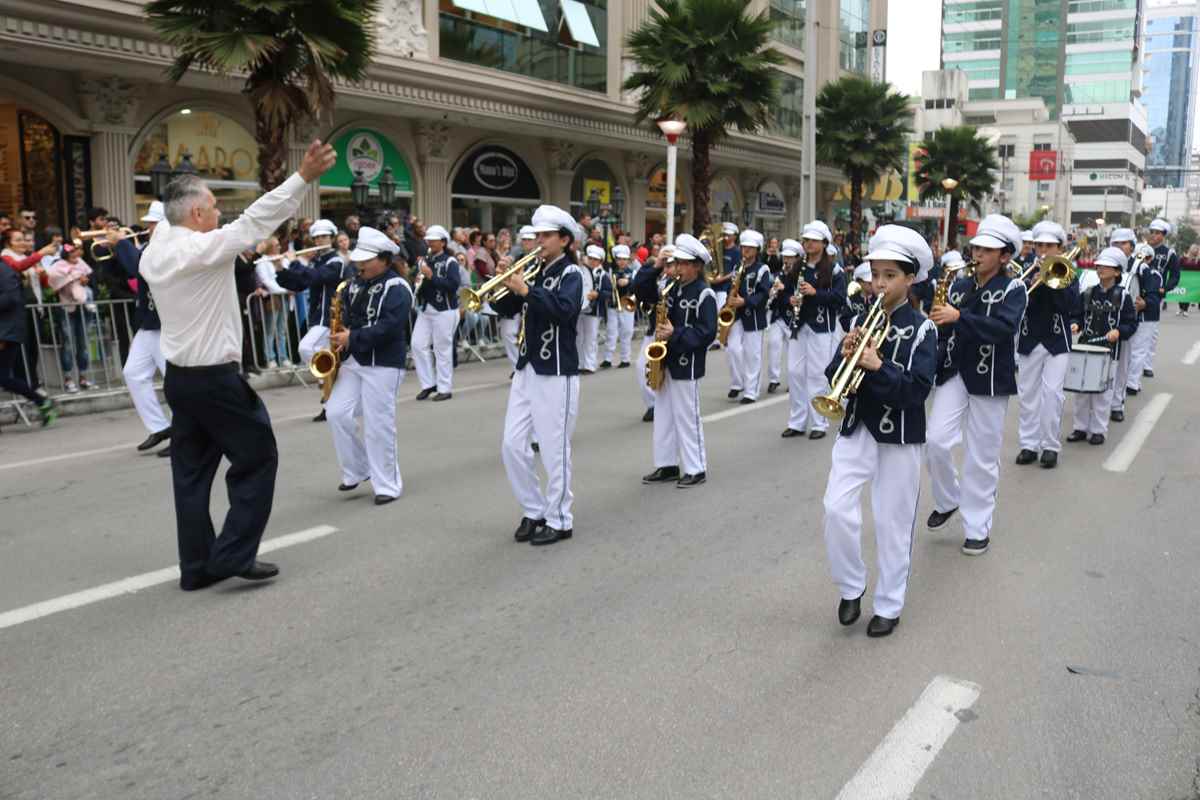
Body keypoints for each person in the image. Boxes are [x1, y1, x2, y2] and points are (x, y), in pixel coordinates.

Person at [139, 138, 336, 592]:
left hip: (180, 380)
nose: (218, 212)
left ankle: (195, 569)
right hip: (213, 380)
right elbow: (257, 219)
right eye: (211, 205)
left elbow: (175, 215)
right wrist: (302, 177)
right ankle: (233, 554)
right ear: (195, 216)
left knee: (189, 475)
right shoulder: (200, 250)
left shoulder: (157, 247)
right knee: (258, 456)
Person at [821, 225, 937, 638]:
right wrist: (848, 354)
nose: (880, 284)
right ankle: (851, 584)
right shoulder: (859, 319)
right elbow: (834, 374)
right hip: (857, 427)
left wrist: (877, 365)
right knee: (836, 508)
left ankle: (888, 604)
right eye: (876, 275)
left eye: (890, 275)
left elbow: (917, 391)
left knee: (892, 522)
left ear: (909, 279)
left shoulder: (924, 329)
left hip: (900, 434)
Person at [925, 214, 1027, 556]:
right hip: (955, 370)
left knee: (981, 456)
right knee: (935, 440)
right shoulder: (960, 284)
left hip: (991, 377)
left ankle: (977, 526)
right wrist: (936, 323)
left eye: (988, 249)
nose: (978, 254)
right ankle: (949, 498)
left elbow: (1003, 329)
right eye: (977, 247)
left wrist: (959, 317)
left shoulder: (1014, 288)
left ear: (1005, 256)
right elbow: (948, 328)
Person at [491, 205, 584, 547]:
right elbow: (506, 309)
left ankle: (560, 519)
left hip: (557, 370)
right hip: (528, 368)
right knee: (512, 445)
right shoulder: (535, 271)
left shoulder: (572, 274)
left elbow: (564, 311)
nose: (538, 242)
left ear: (564, 239)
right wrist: (500, 281)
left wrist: (526, 290)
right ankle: (534, 510)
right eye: (536, 237)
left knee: (553, 448)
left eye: (545, 236)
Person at [324, 228, 412, 505]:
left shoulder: (397, 287)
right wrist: (341, 336)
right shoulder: (353, 284)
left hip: (383, 363)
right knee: (336, 412)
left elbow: (391, 326)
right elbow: (348, 317)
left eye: (367, 260)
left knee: (378, 424)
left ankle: (387, 484)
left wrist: (353, 336)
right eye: (359, 260)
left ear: (385, 260)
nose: (360, 265)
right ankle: (358, 469)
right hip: (354, 359)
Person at [637, 233, 717, 488]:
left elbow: (707, 333)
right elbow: (640, 290)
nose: (677, 268)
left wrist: (675, 333)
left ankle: (696, 468)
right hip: (666, 360)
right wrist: (656, 266)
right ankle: (666, 464)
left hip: (687, 362)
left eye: (682, 263)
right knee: (663, 414)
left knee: (686, 416)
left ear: (696, 266)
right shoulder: (671, 289)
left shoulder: (705, 294)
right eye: (676, 263)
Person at [1014, 220, 1080, 469]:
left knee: (1052, 394)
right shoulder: (1023, 268)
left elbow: (1071, 306)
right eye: (1039, 245)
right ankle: (1028, 445)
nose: (1042, 250)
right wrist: (1030, 280)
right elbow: (1015, 303)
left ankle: (1050, 446)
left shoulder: (1067, 271)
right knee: (1027, 395)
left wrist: (1051, 278)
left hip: (1056, 340)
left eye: (1049, 245)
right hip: (1029, 338)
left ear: (1060, 248)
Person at [272, 218, 352, 421]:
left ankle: (327, 375)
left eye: (324, 236)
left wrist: (294, 261)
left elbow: (315, 277)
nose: (320, 240)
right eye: (316, 238)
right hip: (319, 318)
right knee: (327, 361)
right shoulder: (317, 261)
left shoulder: (336, 261)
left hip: (332, 318)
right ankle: (330, 404)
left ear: (332, 238)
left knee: (306, 348)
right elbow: (299, 283)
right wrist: (280, 268)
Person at [110, 201, 172, 455]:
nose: (148, 227)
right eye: (148, 223)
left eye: (153, 223)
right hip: (149, 323)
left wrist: (122, 243)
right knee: (133, 373)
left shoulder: (169, 248)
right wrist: (115, 248)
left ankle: (187, 434)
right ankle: (160, 427)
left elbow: (141, 268)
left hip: (166, 323)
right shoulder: (149, 246)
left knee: (176, 382)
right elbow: (128, 270)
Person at [1065, 247, 1136, 446]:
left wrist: (1119, 331)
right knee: (1081, 391)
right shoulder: (1088, 293)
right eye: (1099, 265)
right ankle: (1080, 428)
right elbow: (1077, 314)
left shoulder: (1123, 296)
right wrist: (1075, 323)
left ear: (1117, 271)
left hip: (1109, 351)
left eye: (1107, 266)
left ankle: (1098, 430)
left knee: (1103, 394)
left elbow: (1132, 323)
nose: (1101, 268)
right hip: (1086, 345)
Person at [781, 221, 845, 436]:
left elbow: (839, 299)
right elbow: (786, 292)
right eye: (806, 240)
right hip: (799, 325)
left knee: (816, 375)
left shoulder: (834, 270)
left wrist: (815, 293)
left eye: (813, 240)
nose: (808, 243)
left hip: (821, 327)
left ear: (824, 243)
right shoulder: (798, 267)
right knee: (794, 372)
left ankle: (819, 423)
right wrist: (790, 299)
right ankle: (797, 422)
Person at [0, 246, 57, 429]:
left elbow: (11, 299)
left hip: (6, 331)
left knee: (3, 377)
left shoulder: (4, 270)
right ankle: (41, 401)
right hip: (6, 329)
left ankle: (42, 401)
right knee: (4, 378)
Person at [411, 224, 461, 402]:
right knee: (417, 345)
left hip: (445, 310)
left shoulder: (450, 261)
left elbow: (453, 285)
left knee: (442, 349)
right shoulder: (425, 260)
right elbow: (420, 283)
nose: (429, 242)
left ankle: (445, 388)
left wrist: (431, 276)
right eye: (428, 240)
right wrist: (417, 280)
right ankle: (428, 383)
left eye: (433, 240)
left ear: (443, 242)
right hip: (426, 309)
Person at [724, 229, 771, 404]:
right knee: (733, 349)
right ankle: (738, 382)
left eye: (750, 248)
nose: (746, 251)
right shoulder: (738, 267)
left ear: (757, 250)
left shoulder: (762, 269)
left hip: (753, 315)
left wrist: (745, 301)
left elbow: (763, 294)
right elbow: (732, 288)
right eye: (744, 247)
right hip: (736, 315)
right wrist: (728, 302)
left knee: (753, 355)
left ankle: (751, 391)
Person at [45, 243, 95, 393]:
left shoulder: (81, 263)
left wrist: (85, 280)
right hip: (66, 308)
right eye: (72, 252)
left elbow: (89, 278)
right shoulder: (58, 265)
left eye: (77, 251)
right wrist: (72, 277)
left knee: (83, 343)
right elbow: (53, 281)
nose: (76, 254)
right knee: (67, 342)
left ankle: (83, 377)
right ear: (66, 253)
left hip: (83, 308)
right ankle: (68, 379)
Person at [632, 245, 673, 422]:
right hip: (655, 330)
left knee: (669, 372)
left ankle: (668, 404)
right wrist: (656, 265)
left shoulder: (682, 282)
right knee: (642, 366)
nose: (668, 268)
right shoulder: (657, 279)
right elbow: (637, 286)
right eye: (666, 264)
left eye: (671, 264)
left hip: (673, 333)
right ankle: (653, 404)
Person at [1106, 228, 1139, 422]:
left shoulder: (1137, 267)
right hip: (1103, 325)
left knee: (1122, 365)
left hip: (1125, 323)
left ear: (1131, 246)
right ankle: (1099, 403)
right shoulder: (1106, 262)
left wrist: (1146, 302)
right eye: (1115, 244)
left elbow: (1144, 293)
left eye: (1123, 243)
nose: (1119, 247)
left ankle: (1117, 404)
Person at [252, 238, 293, 368]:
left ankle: (283, 357)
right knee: (270, 329)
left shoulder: (282, 258)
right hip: (273, 298)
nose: (279, 247)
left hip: (284, 297)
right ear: (269, 247)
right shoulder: (261, 262)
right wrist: (285, 289)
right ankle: (270, 358)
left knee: (282, 329)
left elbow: (289, 274)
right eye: (276, 245)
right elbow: (266, 281)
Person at [764, 239, 795, 394]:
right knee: (773, 345)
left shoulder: (799, 276)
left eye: (790, 258)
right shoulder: (779, 275)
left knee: (793, 352)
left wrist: (783, 291)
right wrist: (772, 293)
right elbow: (773, 296)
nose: (787, 261)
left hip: (793, 318)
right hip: (778, 316)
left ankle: (792, 381)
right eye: (785, 258)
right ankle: (773, 379)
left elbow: (795, 298)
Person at [1146, 218, 1178, 364]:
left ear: (1163, 235)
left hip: (1155, 296)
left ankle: (1148, 363)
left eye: (1157, 233)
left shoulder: (1169, 253)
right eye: (1151, 232)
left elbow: (1175, 276)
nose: (1153, 235)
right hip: (1138, 293)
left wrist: (1164, 288)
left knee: (1152, 329)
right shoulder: (1142, 249)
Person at [601, 247, 635, 369]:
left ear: (628, 260)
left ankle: (625, 359)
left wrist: (629, 282)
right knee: (611, 331)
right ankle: (607, 358)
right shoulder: (611, 272)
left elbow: (637, 286)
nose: (622, 262)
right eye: (619, 259)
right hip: (613, 304)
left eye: (624, 259)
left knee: (627, 331)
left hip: (627, 304)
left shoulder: (633, 272)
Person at [578, 243, 609, 373]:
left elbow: (608, 292)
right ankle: (579, 364)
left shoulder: (603, 275)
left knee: (590, 338)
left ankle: (589, 365)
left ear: (600, 261)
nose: (592, 261)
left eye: (595, 259)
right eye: (590, 258)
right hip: (580, 310)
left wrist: (598, 294)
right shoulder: (581, 271)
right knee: (578, 337)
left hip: (594, 311)